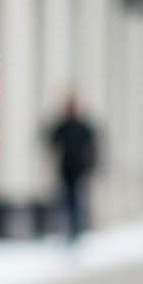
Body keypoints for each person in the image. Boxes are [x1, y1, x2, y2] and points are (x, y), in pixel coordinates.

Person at [45, 90, 99, 242]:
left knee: (76, 200)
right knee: (66, 200)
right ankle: (68, 231)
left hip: (78, 169)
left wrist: (90, 165)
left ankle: (76, 231)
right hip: (65, 169)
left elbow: (91, 146)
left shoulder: (82, 126)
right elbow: (52, 140)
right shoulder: (63, 125)